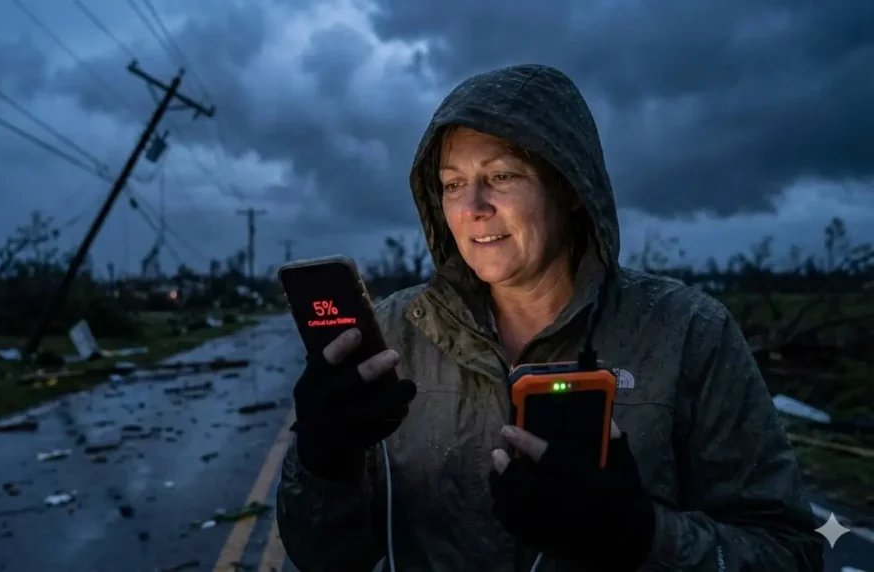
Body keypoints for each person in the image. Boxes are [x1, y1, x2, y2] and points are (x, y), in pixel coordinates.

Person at [276, 64, 824, 571]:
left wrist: (639, 534)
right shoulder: (395, 336)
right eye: (452, 184)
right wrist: (323, 465)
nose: (472, 207)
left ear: (570, 187)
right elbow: (324, 558)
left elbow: (789, 551)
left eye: (503, 175)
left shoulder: (686, 332)